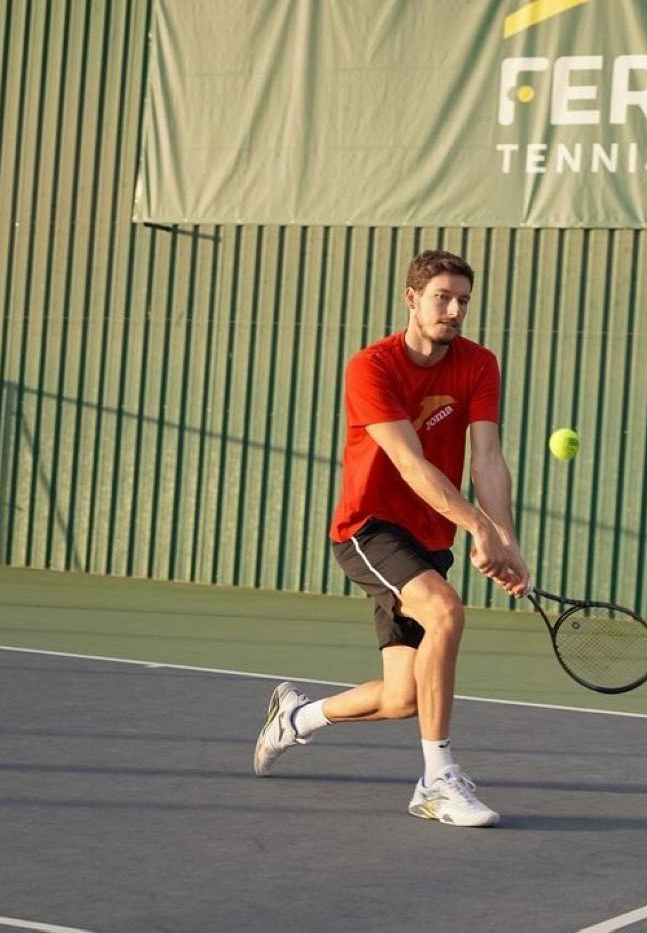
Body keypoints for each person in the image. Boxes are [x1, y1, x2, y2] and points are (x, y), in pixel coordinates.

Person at [253, 249, 530, 828]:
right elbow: (410, 462)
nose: (453, 310)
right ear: (412, 298)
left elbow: (487, 457)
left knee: (404, 697)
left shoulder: (479, 364)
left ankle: (297, 719)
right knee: (446, 612)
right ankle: (437, 781)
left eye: (463, 301)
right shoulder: (371, 367)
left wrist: (504, 538)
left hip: (427, 537)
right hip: (368, 529)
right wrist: (476, 525)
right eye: (442, 298)